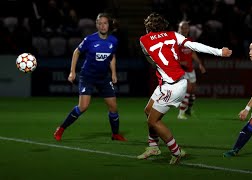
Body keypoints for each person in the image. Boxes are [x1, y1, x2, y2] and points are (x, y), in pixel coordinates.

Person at [138, 13, 232, 164]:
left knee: (153, 121)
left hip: (172, 85)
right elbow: (194, 46)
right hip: (175, 82)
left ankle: (177, 151)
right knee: (148, 110)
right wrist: (220, 51)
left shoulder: (143, 40)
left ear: (148, 27)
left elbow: (151, 60)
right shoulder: (173, 35)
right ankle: (153, 147)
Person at [53, 13, 126, 142]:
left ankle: (115, 134)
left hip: (104, 78)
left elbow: (112, 57)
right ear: (96, 25)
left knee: (113, 107)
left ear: (108, 25)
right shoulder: (89, 40)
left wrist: (113, 73)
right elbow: (76, 52)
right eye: (100, 23)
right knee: (83, 107)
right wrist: (72, 72)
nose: (103, 26)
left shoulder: (113, 41)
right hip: (88, 76)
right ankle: (61, 128)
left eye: (105, 23)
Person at [176, 21, 206, 120]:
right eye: (182, 27)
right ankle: (181, 114)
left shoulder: (189, 40)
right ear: (179, 29)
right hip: (181, 70)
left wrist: (200, 63)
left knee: (193, 91)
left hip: (190, 69)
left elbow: (192, 53)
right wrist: (180, 63)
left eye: (186, 27)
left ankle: (188, 110)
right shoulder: (175, 41)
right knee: (188, 90)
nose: (185, 29)